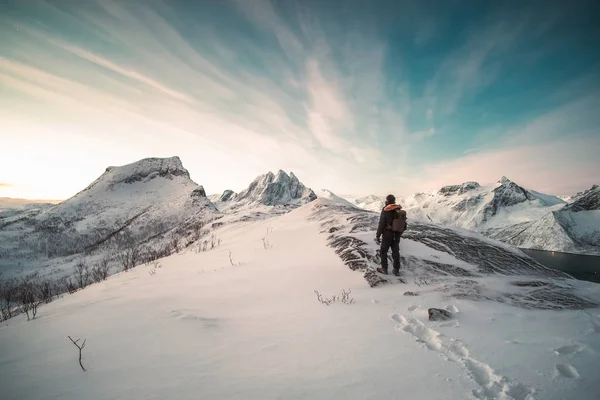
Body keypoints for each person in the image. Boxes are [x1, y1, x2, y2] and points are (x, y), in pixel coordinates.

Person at [375, 194, 406, 276]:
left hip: (387, 234)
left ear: (387, 201)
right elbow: (404, 225)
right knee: (395, 252)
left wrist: (378, 235)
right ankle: (396, 270)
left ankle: (384, 269)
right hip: (397, 235)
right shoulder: (399, 210)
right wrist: (398, 233)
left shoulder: (386, 210)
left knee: (383, 251)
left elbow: (381, 224)